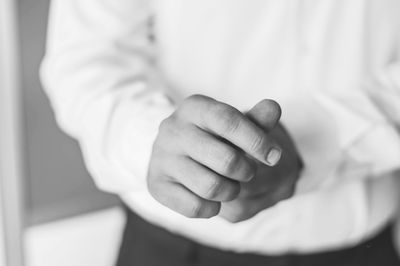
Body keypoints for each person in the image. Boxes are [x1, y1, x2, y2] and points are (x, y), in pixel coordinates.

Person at [40, 1, 400, 265]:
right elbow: (87, 56)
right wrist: (155, 145)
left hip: (366, 249)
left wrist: (320, 137)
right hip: (171, 250)